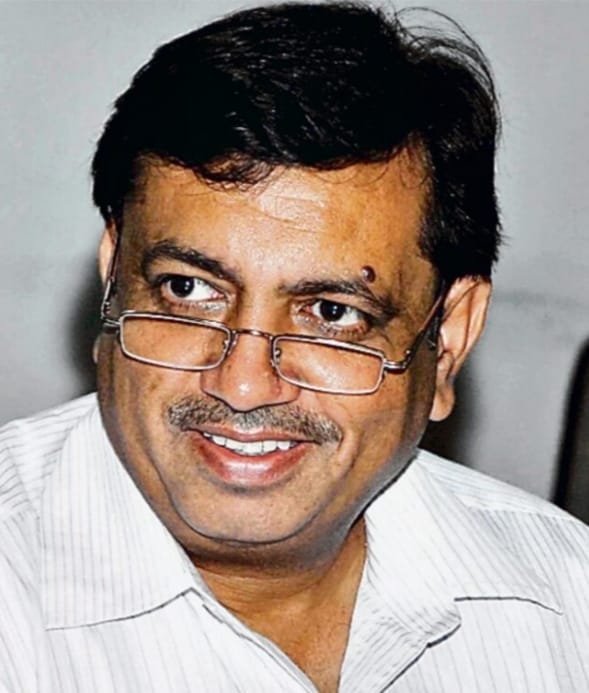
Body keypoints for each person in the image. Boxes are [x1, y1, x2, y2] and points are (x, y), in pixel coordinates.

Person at [1, 2, 588, 691]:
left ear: (450, 337)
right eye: (188, 289)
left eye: (332, 312)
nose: (243, 384)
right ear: (113, 281)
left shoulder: (563, 600)